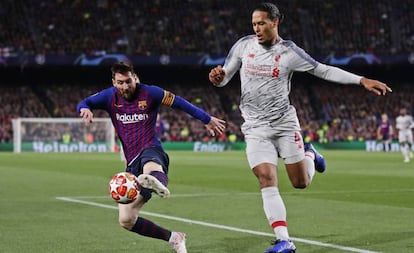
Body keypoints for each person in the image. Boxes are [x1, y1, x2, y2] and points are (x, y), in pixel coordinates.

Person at [208, 3, 392, 253]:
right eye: (254, 24)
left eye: (261, 23)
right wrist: (218, 79)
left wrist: (361, 80)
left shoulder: (289, 52)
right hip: (255, 127)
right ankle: (284, 240)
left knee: (300, 183)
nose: (257, 28)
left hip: (284, 125)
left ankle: (310, 154)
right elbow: (225, 76)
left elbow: (324, 71)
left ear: (275, 22)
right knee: (266, 177)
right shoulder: (243, 45)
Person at [77, 61, 225, 253]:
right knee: (126, 220)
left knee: (151, 168)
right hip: (131, 163)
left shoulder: (150, 93)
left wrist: (207, 119)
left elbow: (179, 102)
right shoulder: (108, 97)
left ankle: (155, 181)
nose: (125, 86)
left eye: (128, 81)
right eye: (120, 82)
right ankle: (173, 237)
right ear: (114, 82)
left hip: (151, 148)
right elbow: (84, 102)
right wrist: (84, 109)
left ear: (135, 78)